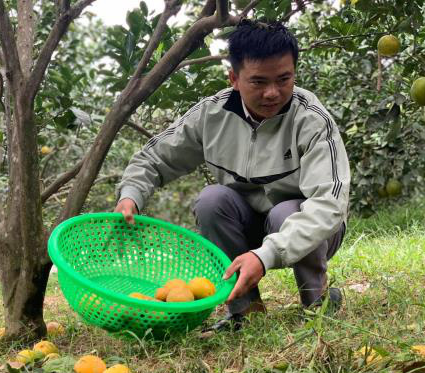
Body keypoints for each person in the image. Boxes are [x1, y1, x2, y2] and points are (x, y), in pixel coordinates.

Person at [114, 20, 350, 332]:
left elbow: (329, 204)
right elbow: (153, 158)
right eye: (258, 82)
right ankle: (245, 311)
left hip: (307, 230)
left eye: (284, 79)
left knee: (284, 212)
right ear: (234, 79)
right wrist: (131, 194)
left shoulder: (311, 119)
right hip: (248, 228)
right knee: (212, 200)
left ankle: (316, 301)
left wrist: (267, 255)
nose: (272, 92)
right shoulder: (212, 115)